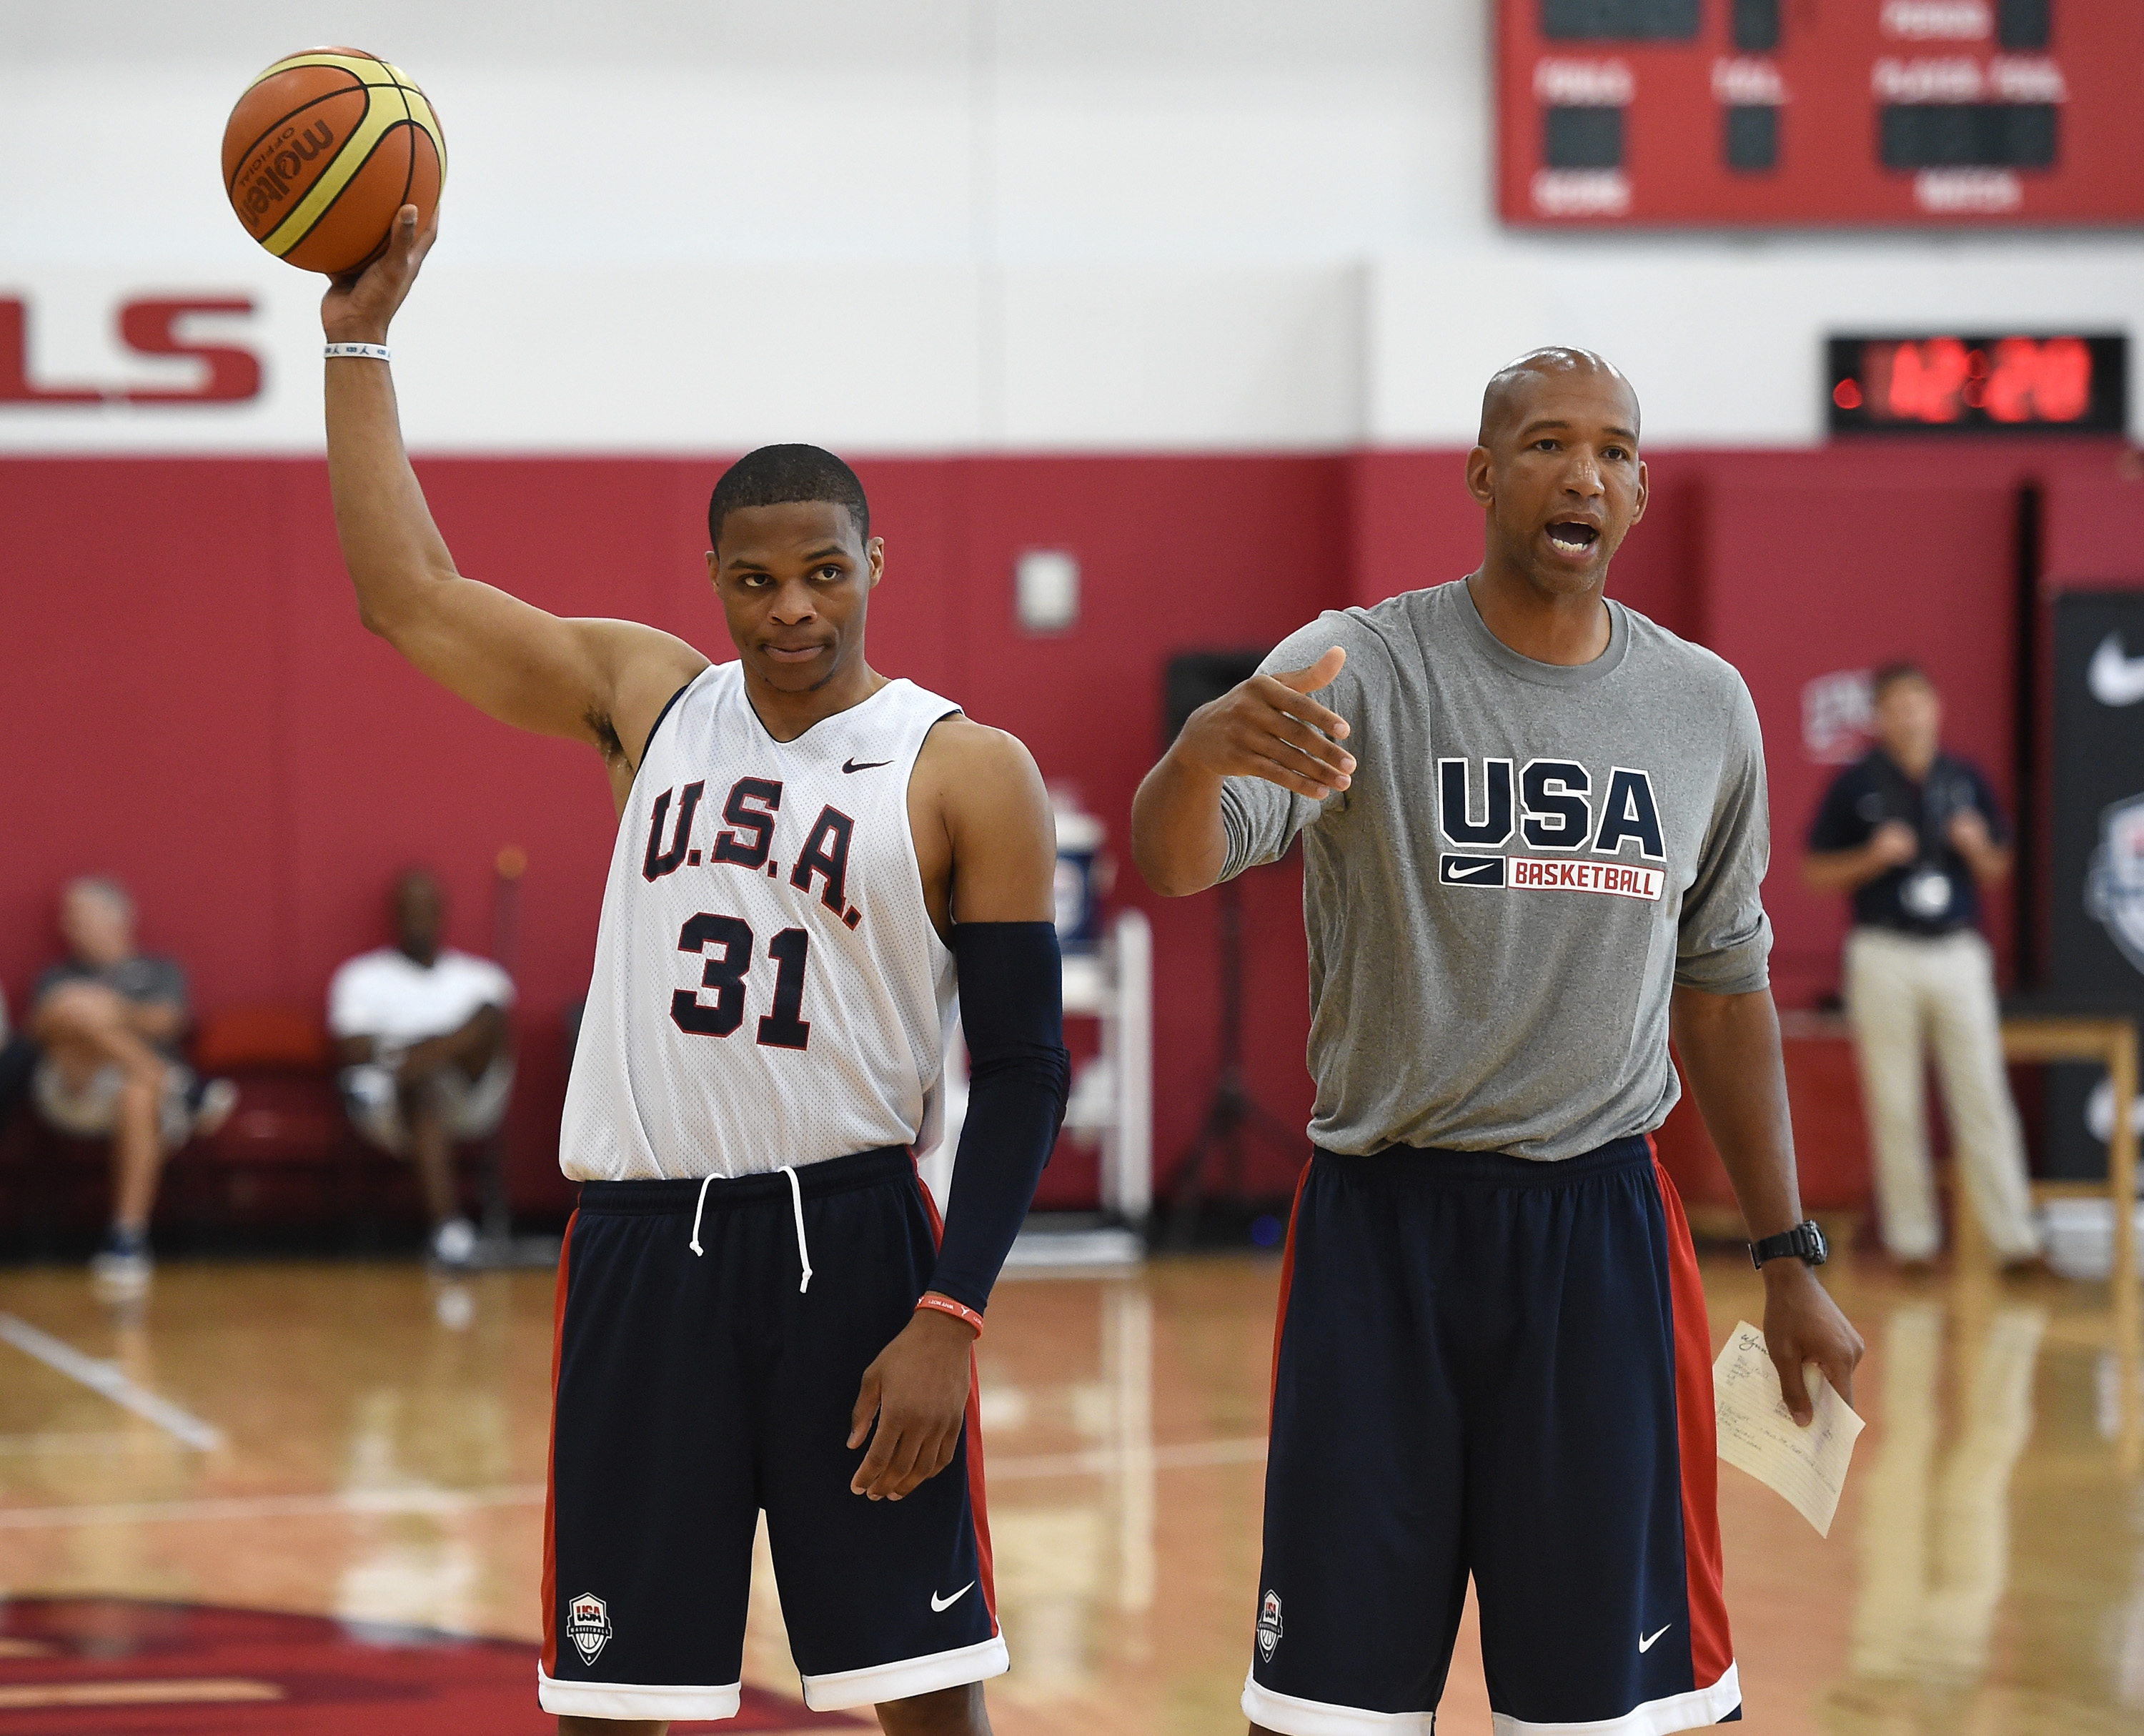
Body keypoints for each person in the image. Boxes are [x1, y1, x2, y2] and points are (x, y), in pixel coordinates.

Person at [321, 205, 1068, 1736]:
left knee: (923, 1691)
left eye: (822, 571)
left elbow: (1029, 1067)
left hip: (854, 1243)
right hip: (647, 1247)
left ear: (875, 561)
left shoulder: (965, 766)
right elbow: (410, 599)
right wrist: (354, 342)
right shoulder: (648, 701)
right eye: (754, 578)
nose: (791, 608)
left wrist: (955, 1310)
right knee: (617, 1694)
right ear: (714, 578)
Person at [1131, 347, 1863, 1736]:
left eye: (1614, 449)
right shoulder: (1358, 663)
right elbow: (1179, 861)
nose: (1582, 472)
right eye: (1543, 443)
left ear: (1640, 491)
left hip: (1598, 1233)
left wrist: (1790, 1253)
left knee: (1610, 1709)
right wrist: (1199, 748)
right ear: (1481, 472)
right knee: (1325, 1710)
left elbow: (1725, 986)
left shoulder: (1705, 705)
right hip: (1381, 1228)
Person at [1802, 663, 2040, 1267]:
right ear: (1878, 717)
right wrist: (1872, 856)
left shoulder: (1964, 778)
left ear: (1936, 709)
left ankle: (2014, 1242)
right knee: (1895, 1098)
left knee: (1982, 1092)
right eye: (1895, 706)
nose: (1908, 716)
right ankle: (1912, 1244)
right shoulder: (1856, 784)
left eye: (1917, 703)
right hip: (1884, 950)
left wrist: (1976, 845)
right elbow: (1815, 869)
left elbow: (1997, 868)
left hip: (1957, 950)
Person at [27, 877, 236, 1294]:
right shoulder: (57, 975)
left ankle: (127, 1238)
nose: (68, 927)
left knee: (136, 1091)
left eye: (77, 916)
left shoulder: (160, 970)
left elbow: (168, 1020)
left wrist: (109, 1010)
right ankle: (179, 1086)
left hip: (133, 1093)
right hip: (74, 1085)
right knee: (75, 1016)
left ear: (116, 919)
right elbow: (42, 1027)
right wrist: (89, 1015)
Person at [329, 868, 516, 1269]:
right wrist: (439, 1051)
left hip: (471, 1098)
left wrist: (412, 1053)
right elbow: (350, 1047)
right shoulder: (360, 978)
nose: (418, 920)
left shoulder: (480, 978)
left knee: (487, 1016)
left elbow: (491, 1034)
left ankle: (419, 1065)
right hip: (388, 1108)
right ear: (394, 914)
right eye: (409, 911)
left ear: (441, 913)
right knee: (424, 1085)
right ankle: (449, 1233)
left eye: (426, 910)